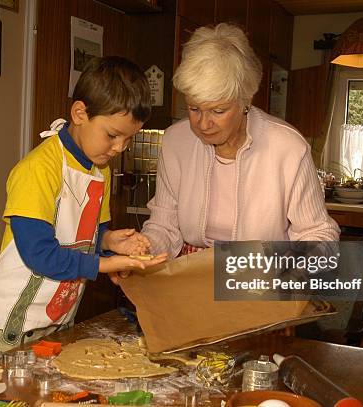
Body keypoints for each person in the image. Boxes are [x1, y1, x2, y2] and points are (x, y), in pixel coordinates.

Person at [0, 56, 167, 357]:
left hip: (59, 317)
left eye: (128, 139)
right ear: (80, 113)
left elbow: (88, 236)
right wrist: (105, 265)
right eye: (112, 135)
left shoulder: (98, 169)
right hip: (12, 325)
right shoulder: (38, 170)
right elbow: (40, 255)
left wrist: (109, 243)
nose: (119, 148)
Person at [141, 23, 339, 258]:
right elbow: (164, 224)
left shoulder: (288, 147)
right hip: (189, 274)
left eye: (218, 111)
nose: (203, 124)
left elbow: (317, 232)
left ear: (245, 100)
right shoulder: (176, 140)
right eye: (194, 109)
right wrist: (144, 249)